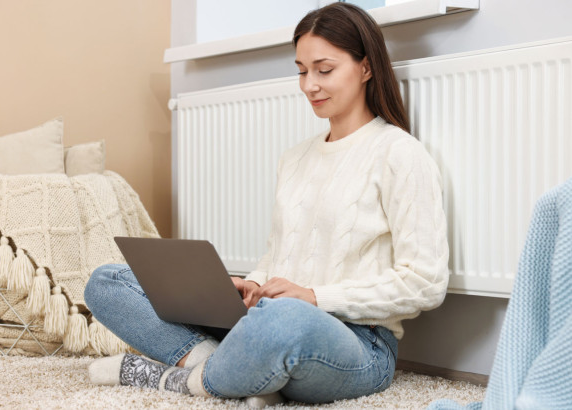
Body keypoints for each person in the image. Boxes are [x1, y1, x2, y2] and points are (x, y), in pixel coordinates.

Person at [84, 2, 449, 405]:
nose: (310, 85)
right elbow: (279, 256)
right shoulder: (293, 159)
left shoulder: (400, 154)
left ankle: (183, 379)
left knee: (283, 321)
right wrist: (253, 284)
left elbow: (426, 284)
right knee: (107, 281)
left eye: (324, 70)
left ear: (366, 68)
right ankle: (231, 369)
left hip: (357, 343)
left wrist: (313, 298)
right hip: (266, 321)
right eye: (301, 71)